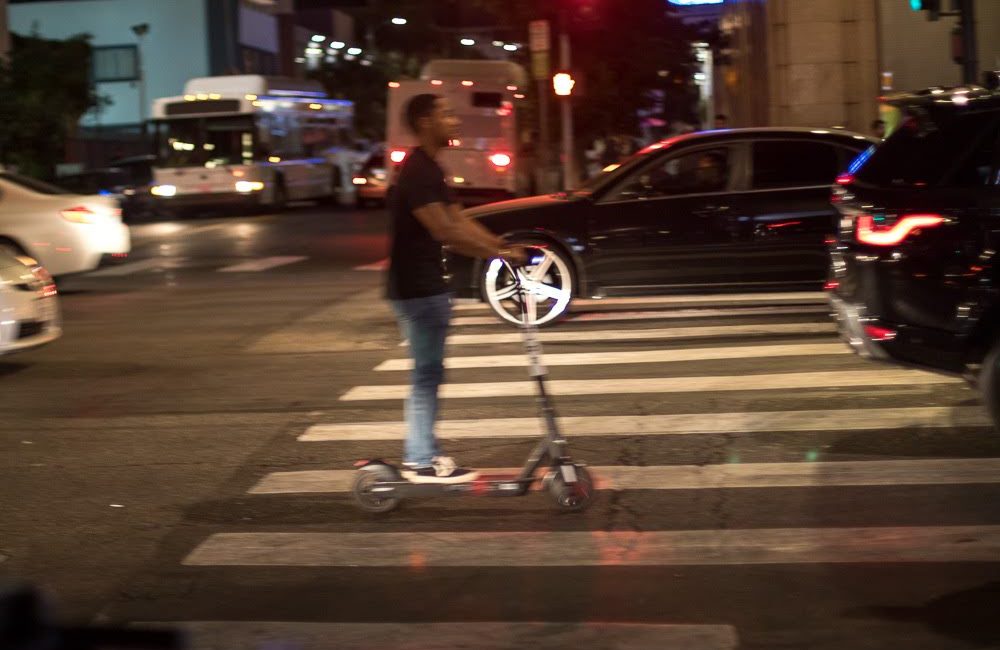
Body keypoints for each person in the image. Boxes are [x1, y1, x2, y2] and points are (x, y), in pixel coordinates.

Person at [387, 93, 527, 484]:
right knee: (426, 375)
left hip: (427, 286)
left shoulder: (430, 169)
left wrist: (500, 248)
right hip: (417, 289)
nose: (455, 121)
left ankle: (424, 453)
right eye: (447, 114)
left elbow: (459, 219)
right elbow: (445, 231)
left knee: (430, 372)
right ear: (426, 122)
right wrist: (496, 254)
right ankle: (419, 459)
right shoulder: (417, 172)